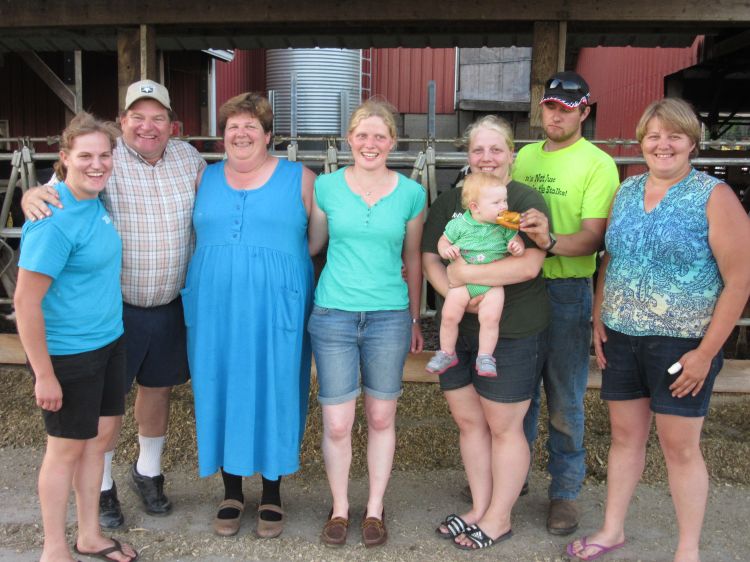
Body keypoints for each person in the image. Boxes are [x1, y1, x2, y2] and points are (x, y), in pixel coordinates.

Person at [567, 98, 750, 561]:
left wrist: (707, 352)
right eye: (652, 136)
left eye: (673, 135)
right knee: (625, 437)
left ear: (692, 142)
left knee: (680, 448)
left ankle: (687, 550)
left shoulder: (714, 196)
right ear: (641, 141)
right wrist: (599, 316)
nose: (662, 144)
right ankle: (612, 529)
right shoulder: (627, 191)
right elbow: (612, 258)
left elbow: (741, 278)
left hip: (683, 343)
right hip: (622, 339)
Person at [21, 79, 206, 528]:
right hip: (115, 308)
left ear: (171, 124)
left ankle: (148, 471)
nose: (148, 126)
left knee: (157, 390)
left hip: (168, 302)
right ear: (123, 122)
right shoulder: (104, 159)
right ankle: (101, 487)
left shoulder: (190, 159)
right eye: (137, 117)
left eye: (157, 117)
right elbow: (56, 192)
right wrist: (31, 194)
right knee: (106, 410)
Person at [181, 92, 316, 538]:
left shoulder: (301, 179)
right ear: (224, 136)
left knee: (275, 384)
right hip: (215, 306)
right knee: (220, 384)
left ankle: (273, 492)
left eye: (250, 126)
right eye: (232, 127)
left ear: (268, 135)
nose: (240, 133)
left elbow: (316, 242)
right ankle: (232, 490)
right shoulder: (204, 177)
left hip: (276, 305)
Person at [422, 115, 551, 550]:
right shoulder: (452, 201)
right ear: (468, 155)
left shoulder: (525, 201)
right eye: (478, 150)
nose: (487, 158)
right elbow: (430, 259)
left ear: (511, 154)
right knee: (468, 420)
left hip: (513, 326)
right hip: (458, 328)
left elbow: (529, 264)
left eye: (496, 149)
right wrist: (457, 289)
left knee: (503, 426)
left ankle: (500, 516)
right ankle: (478, 506)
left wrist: (471, 273)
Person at [14, 112, 138, 562]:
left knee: (98, 443)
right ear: (64, 159)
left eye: (105, 155)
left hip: (108, 342)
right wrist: (43, 375)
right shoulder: (53, 218)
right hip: (69, 354)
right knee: (64, 451)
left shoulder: (94, 201)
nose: (97, 164)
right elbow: (25, 303)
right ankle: (54, 549)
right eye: (85, 155)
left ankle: (89, 535)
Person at [307, 98, 425, 548]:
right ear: (348, 140)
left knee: (380, 414)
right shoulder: (326, 188)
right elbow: (313, 243)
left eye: (380, 136)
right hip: (334, 313)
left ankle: (375, 508)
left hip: (388, 316)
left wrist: (415, 316)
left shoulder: (412, 194)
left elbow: (412, 259)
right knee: (337, 421)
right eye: (362, 135)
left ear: (392, 141)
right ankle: (339, 507)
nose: (371, 144)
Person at [511, 71, 620, 535]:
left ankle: (565, 491)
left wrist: (549, 240)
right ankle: (512, 478)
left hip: (565, 290)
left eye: (567, 109)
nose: (557, 115)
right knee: (516, 394)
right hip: (517, 285)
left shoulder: (598, 164)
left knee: (564, 397)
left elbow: (594, 238)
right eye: (551, 106)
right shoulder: (523, 156)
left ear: (584, 112)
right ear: (541, 108)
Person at [426, 172, 525, 377]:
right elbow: (443, 241)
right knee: (449, 316)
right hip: (462, 283)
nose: (504, 206)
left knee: (490, 319)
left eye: (504, 200)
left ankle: (486, 356)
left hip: (492, 283)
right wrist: (446, 250)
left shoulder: (505, 226)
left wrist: (517, 247)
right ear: (475, 207)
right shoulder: (460, 224)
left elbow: (519, 243)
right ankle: (447, 352)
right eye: (496, 202)